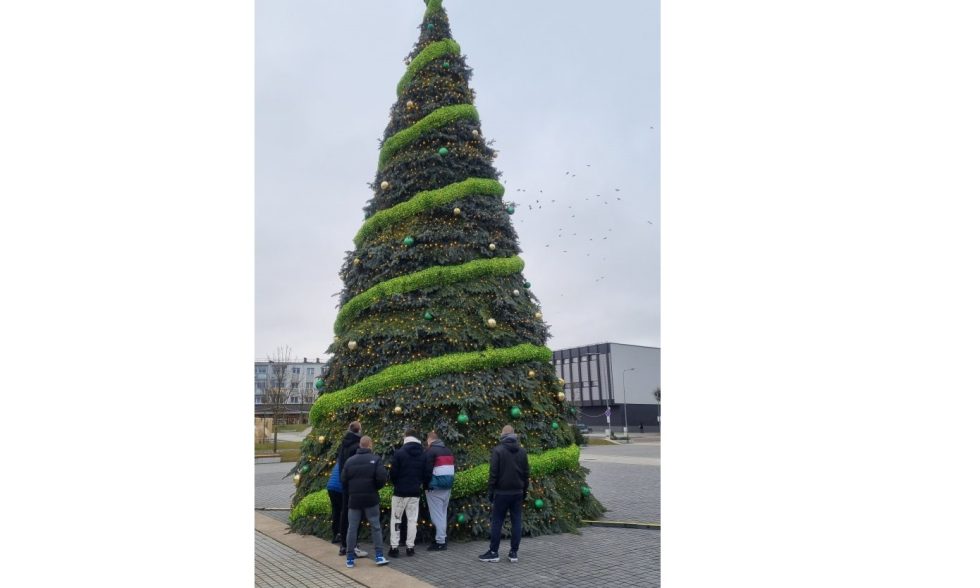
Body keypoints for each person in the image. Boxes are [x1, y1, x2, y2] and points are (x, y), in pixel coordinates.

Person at [479, 425, 529, 563]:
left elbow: (493, 474)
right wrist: (524, 491)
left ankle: (494, 552)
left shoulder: (498, 451)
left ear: (502, 435)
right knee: (517, 522)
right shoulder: (522, 451)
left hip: (501, 492)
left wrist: (491, 491)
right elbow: (526, 474)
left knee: (497, 522)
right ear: (514, 435)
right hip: (518, 492)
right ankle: (514, 553)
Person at [341, 435, 390, 568]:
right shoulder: (376, 459)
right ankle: (379, 556)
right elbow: (382, 478)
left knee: (352, 528)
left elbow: (344, 480)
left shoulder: (350, 461)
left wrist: (352, 490)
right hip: (371, 498)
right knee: (375, 526)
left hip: (354, 499)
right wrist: (374, 488)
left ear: (360, 445)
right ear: (370, 445)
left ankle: (350, 558)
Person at [387, 428, 426, 557]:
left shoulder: (399, 453)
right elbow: (426, 473)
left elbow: (393, 473)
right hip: (414, 491)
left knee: (396, 520)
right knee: (412, 520)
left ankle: (394, 547)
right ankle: (410, 547)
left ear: (406, 437)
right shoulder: (423, 453)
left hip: (400, 492)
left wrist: (396, 483)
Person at [336, 421, 367, 559]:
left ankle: (344, 544)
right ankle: (352, 545)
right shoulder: (356, 446)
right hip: (355, 485)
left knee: (345, 512)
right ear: (359, 430)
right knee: (355, 515)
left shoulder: (344, 444)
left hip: (345, 484)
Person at [422, 430, 455, 551]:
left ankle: (440, 541)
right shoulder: (447, 450)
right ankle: (443, 537)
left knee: (437, 516)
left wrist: (425, 485)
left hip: (434, 487)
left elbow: (427, 470)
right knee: (442, 514)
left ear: (430, 440)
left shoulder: (430, 451)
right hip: (447, 486)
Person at [326, 454, 344, 543]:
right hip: (339, 489)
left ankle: (335, 534)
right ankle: (341, 534)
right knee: (343, 512)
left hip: (331, 487)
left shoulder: (339, 461)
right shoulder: (347, 462)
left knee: (336, 511)